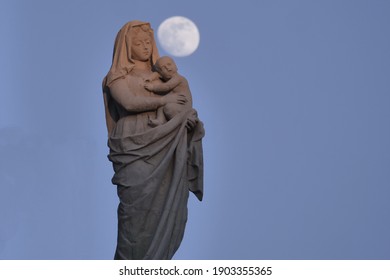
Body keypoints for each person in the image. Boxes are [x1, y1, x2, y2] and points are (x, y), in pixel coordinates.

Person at [102, 20, 205, 260]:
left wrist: (187, 119)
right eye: (138, 43)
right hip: (134, 142)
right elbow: (128, 103)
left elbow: (182, 102)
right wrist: (163, 102)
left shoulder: (166, 78)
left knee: (166, 209)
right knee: (135, 214)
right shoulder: (116, 77)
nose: (145, 46)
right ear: (127, 47)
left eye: (148, 41)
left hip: (167, 141)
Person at [144, 56, 193, 127]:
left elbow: (166, 87)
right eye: (163, 67)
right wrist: (151, 77)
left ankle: (182, 122)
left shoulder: (178, 78)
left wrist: (153, 87)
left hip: (183, 105)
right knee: (162, 105)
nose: (167, 68)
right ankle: (160, 120)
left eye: (169, 64)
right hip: (176, 103)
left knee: (169, 108)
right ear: (161, 73)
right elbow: (157, 74)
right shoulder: (166, 77)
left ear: (176, 66)